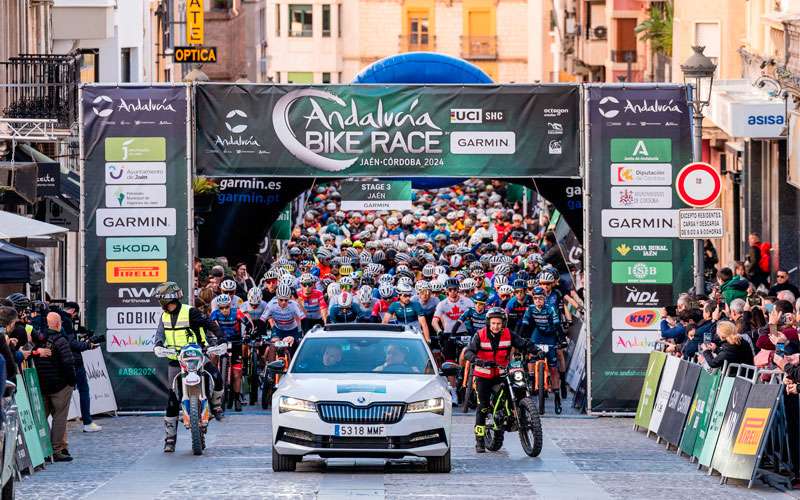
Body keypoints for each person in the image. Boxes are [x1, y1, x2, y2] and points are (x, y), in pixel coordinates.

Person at [153, 282, 223, 452]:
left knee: (216, 376)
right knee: (172, 399)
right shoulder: (163, 316)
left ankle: (215, 404)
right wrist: (158, 345)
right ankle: (170, 438)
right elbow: (159, 334)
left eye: (166, 302)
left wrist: (222, 339)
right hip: (176, 359)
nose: (166, 306)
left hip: (196, 355)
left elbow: (209, 324)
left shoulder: (190, 311)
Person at [463, 307, 534, 453]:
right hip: (483, 376)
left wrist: (537, 350)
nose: (496, 326)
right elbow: (468, 352)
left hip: (502, 373)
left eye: (499, 323)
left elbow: (523, 343)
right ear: (488, 323)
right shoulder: (480, 335)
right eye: (493, 323)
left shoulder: (508, 334)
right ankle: (480, 440)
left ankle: (513, 416)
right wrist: (478, 361)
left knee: (516, 390)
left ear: (503, 324)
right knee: (482, 407)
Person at [34, 312, 76, 462]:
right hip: (60, 386)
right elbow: (68, 363)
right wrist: (72, 381)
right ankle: (57, 449)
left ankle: (41, 449)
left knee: (42, 418)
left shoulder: (37, 340)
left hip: (42, 385)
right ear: (58, 324)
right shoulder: (61, 340)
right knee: (60, 418)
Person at [60, 301, 102, 432]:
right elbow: (71, 343)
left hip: (60, 362)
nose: (75, 318)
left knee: (60, 394)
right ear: (73, 311)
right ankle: (87, 422)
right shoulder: (66, 321)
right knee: (84, 390)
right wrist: (88, 345)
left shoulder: (56, 317)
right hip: (74, 361)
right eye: (76, 315)